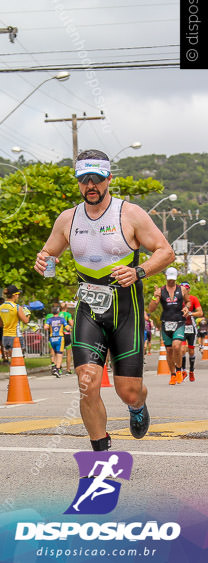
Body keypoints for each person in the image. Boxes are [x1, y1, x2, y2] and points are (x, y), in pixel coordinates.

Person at [35, 149, 174, 450]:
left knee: (129, 391)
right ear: (78, 183)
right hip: (89, 311)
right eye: (84, 180)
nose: (90, 186)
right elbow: (49, 255)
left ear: (109, 178)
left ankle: (136, 407)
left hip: (127, 310)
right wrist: (44, 261)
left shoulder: (130, 214)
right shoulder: (67, 219)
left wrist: (139, 270)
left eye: (96, 179)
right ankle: (100, 450)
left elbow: (166, 252)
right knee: (87, 381)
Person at [147, 267, 186, 385]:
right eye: (169, 279)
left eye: (173, 280)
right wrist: (155, 296)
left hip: (179, 321)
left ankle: (179, 370)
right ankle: (173, 374)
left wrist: (187, 307)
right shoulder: (161, 291)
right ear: (166, 277)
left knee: (176, 346)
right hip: (166, 323)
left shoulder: (182, 289)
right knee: (169, 350)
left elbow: (188, 301)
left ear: (176, 278)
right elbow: (151, 309)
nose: (171, 281)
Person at [0, 286, 30, 357]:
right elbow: (26, 321)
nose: (18, 296)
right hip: (16, 336)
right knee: (18, 359)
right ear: (14, 295)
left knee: (11, 359)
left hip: (5, 336)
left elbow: (1, 322)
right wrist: (28, 313)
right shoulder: (17, 307)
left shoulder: (1, 307)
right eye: (18, 294)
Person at [181, 282, 202, 381]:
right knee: (182, 349)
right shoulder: (177, 299)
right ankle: (183, 370)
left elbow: (200, 313)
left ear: (189, 290)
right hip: (180, 327)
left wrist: (190, 313)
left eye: (187, 288)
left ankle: (191, 371)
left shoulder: (193, 299)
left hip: (191, 327)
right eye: (183, 288)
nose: (185, 290)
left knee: (191, 350)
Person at [44, 303, 68, 378]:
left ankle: (54, 367)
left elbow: (45, 327)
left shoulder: (49, 319)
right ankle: (57, 369)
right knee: (59, 354)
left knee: (53, 354)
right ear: (58, 312)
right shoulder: (62, 319)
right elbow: (67, 328)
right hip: (60, 338)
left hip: (52, 338)